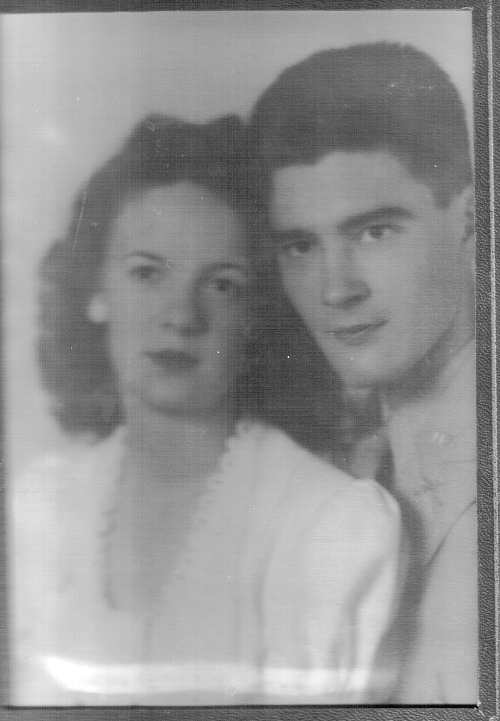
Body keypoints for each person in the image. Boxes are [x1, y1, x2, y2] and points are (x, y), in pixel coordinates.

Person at [9, 114, 401, 706]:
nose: (182, 316)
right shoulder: (40, 508)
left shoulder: (329, 527)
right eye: (147, 273)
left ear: (256, 318)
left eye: (222, 285)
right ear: (95, 291)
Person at [250, 42, 476, 703]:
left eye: (374, 232)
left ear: (472, 218)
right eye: (301, 245)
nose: (335, 289)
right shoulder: (335, 474)